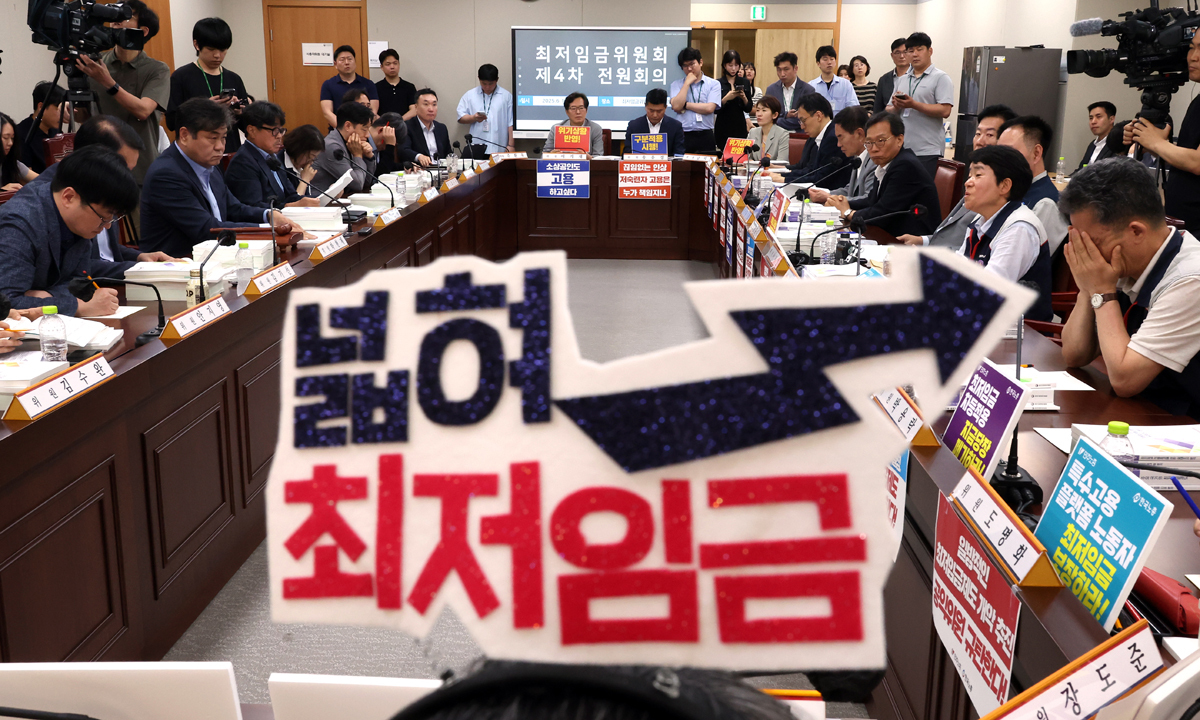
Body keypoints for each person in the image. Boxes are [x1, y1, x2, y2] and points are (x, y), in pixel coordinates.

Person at [1060, 156, 1200, 416]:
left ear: (1136, 231)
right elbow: (1074, 354)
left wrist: (1101, 291)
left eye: (1092, 242)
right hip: (1146, 413)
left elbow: (1125, 380)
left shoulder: (1190, 279)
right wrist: (1087, 288)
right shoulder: (1120, 262)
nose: (1086, 253)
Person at [140, 98, 291, 258]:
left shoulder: (208, 164)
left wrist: (268, 215)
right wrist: (269, 230)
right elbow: (207, 229)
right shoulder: (166, 174)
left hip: (217, 256)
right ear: (184, 135)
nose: (220, 147)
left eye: (223, 138)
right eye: (213, 138)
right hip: (178, 263)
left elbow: (234, 208)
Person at [0, 146, 140, 317]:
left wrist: (49, 296)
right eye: (103, 218)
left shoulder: (77, 221)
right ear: (69, 197)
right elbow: (8, 303)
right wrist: (77, 307)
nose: (107, 226)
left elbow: (78, 284)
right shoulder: (20, 223)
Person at [75, 0, 170, 185]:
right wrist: (70, 109)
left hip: (140, 169)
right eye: (114, 16)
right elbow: (86, 116)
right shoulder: (96, 63)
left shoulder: (157, 69)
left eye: (126, 15)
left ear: (143, 31)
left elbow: (143, 110)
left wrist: (108, 82)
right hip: (99, 167)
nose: (116, 20)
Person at [900, 103, 1016, 248]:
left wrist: (929, 255)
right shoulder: (975, 177)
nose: (980, 142)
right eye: (978, 134)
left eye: (989, 135)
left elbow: (973, 250)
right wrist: (922, 241)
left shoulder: (999, 190)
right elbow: (950, 234)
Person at [957, 145, 1052, 320]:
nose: (968, 182)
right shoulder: (980, 221)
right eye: (970, 175)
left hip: (1019, 331)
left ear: (1004, 186)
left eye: (978, 175)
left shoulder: (1019, 228)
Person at [1124, 31, 1200, 234]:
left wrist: (1158, 143)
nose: (1193, 57)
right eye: (1191, 47)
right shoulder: (1197, 102)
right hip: (1184, 223)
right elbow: (1187, 160)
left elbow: (1198, 163)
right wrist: (1149, 142)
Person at [825, 111, 940, 237]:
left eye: (881, 141)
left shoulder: (906, 165)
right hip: (890, 235)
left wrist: (848, 212)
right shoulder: (886, 164)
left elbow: (883, 213)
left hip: (910, 241)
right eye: (869, 142)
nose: (874, 149)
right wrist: (840, 202)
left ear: (899, 140)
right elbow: (872, 201)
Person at [166, 17, 249, 153]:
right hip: (196, 153)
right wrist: (204, 109)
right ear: (197, 45)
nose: (217, 55)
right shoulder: (181, 77)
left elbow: (248, 127)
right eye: (211, 49)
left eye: (223, 50)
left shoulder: (234, 79)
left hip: (230, 152)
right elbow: (171, 122)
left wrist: (240, 112)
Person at [225, 101, 319, 209]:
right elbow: (253, 207)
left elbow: (291, 196)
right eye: (274, 130)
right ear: (252, 130)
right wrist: (289, 206)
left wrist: (319, 200)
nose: (279, 136)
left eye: (281, 130)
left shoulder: (272, 157)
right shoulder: (243, 162)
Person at [887, 32, 953, 182]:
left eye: (919, 49)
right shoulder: (903, 79)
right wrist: (897, 107)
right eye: (910, 51)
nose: (915, 54)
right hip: (902, 149)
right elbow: (888, 110)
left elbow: (945, 110)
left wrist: (913, 104)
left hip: (928, 150)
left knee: (922, 193)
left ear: (930, 51)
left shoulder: (941, 78)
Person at [998, 115, 1069, 255]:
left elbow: (1021, 259)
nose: (999, 161)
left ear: (1036, 153)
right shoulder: (1014, 190)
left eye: (1009, 152)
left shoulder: (1045, 204)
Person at [808, 106, 877, 206]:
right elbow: (850, 190)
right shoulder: (857, 158)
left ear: (859, 134)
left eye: (841, 137)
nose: (838, 144)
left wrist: (830, 198)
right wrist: (827, 194)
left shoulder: (875, 161)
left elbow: (868, 198)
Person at [312, 101, 378, 195]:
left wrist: (369, 157)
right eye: (364, 129)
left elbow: (366, 182)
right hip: (320, 202)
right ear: (348, 126)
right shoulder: (332, 147)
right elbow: (358, 184)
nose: (367, 135)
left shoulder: (350, 143)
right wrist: (357, 155)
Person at [780, 94, 846, 185]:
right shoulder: (817, 136)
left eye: (803, 120)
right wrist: (781, 174)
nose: (802, 126)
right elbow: (809, 169)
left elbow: (821, 178)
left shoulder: (833, 138)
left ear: (818, 116)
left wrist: (783, 179)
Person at [669, 47, 722, 153]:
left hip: (706, 135)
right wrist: (686, 83)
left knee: (707, 163)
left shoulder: (714, 84)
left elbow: (709, 108)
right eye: (685, 66)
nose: (689, 69)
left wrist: (685, 105)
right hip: (684, 134)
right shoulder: (676, 84)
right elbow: (676, 106)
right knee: (682, 163)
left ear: (700, 62)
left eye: (692, 64)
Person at [457, 64, 514, 158]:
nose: (487, 87)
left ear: (497, 80)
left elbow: (511, 123)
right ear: (479, 79)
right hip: (477, 147)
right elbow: (460, 117)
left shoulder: (506, 96)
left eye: (491, 84)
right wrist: (474, 118)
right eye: (484, 83)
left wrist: (511, 145)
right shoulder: (470, 95)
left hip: (499, 147)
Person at [319, 46, 378, 129]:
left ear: (355, 61)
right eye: (342, 59)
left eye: (350, 59)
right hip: (338, 130)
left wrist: (361, 129)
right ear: (335, 64)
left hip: (364, 131)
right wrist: (345, 129)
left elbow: (373, 112)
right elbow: (327, 112)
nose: (346, 62)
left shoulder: (368, 84)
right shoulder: (328, 84)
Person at [15, 82, 66, 173]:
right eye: (58, 109)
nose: (62, 114)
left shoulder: (56, 131)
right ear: (41, 107)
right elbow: (24, 176)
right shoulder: (22, 134)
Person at [624, 88, 685, 157]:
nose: (655, 115)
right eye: (651, 110)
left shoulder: (675, 126)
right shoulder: (634, 126)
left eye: (659, 111)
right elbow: (627, 153)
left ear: (665, 107)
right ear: (645, 106)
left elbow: (679, 153)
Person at [765, 52, 816, 133]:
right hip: (776, 135)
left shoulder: (808, 90)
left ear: (795, 69)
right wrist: (786, 115)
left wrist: (780, 120)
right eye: (779, 70)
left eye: (786, 69)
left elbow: (807, 119)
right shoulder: (771, 90)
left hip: (800, 136)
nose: (782, 74)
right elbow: (768, 117)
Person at [401, 89, 452, 167]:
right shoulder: (407, 126)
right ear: (416, 107)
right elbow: (403, 150)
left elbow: (448, 153)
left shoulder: (441, 128)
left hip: (441, 170)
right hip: (419, 170)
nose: (431, 109)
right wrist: (419, 156)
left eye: (434, 104)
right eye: (426, 104)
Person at [714, 50, 753, 153]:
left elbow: (749, 108)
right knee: (723, 154)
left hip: (739, 125)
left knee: (739, 154)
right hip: (723, 125)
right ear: (724, 65)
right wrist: (726, 98)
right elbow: (715, 109)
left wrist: (744, 97)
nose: (733, 69)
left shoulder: (744, 82)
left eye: (736, 65)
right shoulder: (717, 83)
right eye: (730, 65)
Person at [809, 46, 859, 115]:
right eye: (825, 59)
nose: (829, 62)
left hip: (842, 121)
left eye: (832, 59)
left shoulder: (846, 84)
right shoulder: (811, 86)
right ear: (818, 63)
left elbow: (854, 108)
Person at [282, 124, 325, 199]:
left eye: (314, 159)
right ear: (298, 149)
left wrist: (331, 194)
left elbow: (308, 198)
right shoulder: (279, 166)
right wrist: (305, 180)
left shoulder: (302, 168)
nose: (311, 163)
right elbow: (295, 202)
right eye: (310, 157)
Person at [375, 48, 417, 121]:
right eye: (388, 64)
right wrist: (385, 123)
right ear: (382, 67)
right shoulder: (375, 87)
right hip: (382, 126)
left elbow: (414, 110)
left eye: (395, 63)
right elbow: (372, 112)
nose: (392, 67)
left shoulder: (409, 87)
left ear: (399, 65)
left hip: (405, 125)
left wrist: (399, 122)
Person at [0, 114, 38, 190]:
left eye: (12, 138)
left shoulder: (10, 162)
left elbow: (42, 180)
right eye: (6, 137)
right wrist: (2, 191)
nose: (10, 143)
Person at [747, 96, 789, 163]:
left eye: (764, 110)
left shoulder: (782, 134)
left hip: (773, 170)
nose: (759, 114)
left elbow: (782, 162)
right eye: (757, 110)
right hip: (754, 169)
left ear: (775, 115)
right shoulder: (752, 132)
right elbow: (746, 157)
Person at [873, 38, 909, 114]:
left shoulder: (917, 76)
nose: (902, 56)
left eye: (905, 52)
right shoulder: (884, 80)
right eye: (897, 52)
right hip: (889, 119)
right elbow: (877, 109)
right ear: (892, 55)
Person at [1078, 102, 1117, 171]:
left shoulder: (1117, 144)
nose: (1093, 122)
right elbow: (1081, 170)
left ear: (1111, 119)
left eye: (1098, 117)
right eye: (1091, 118)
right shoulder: (1092, 144)